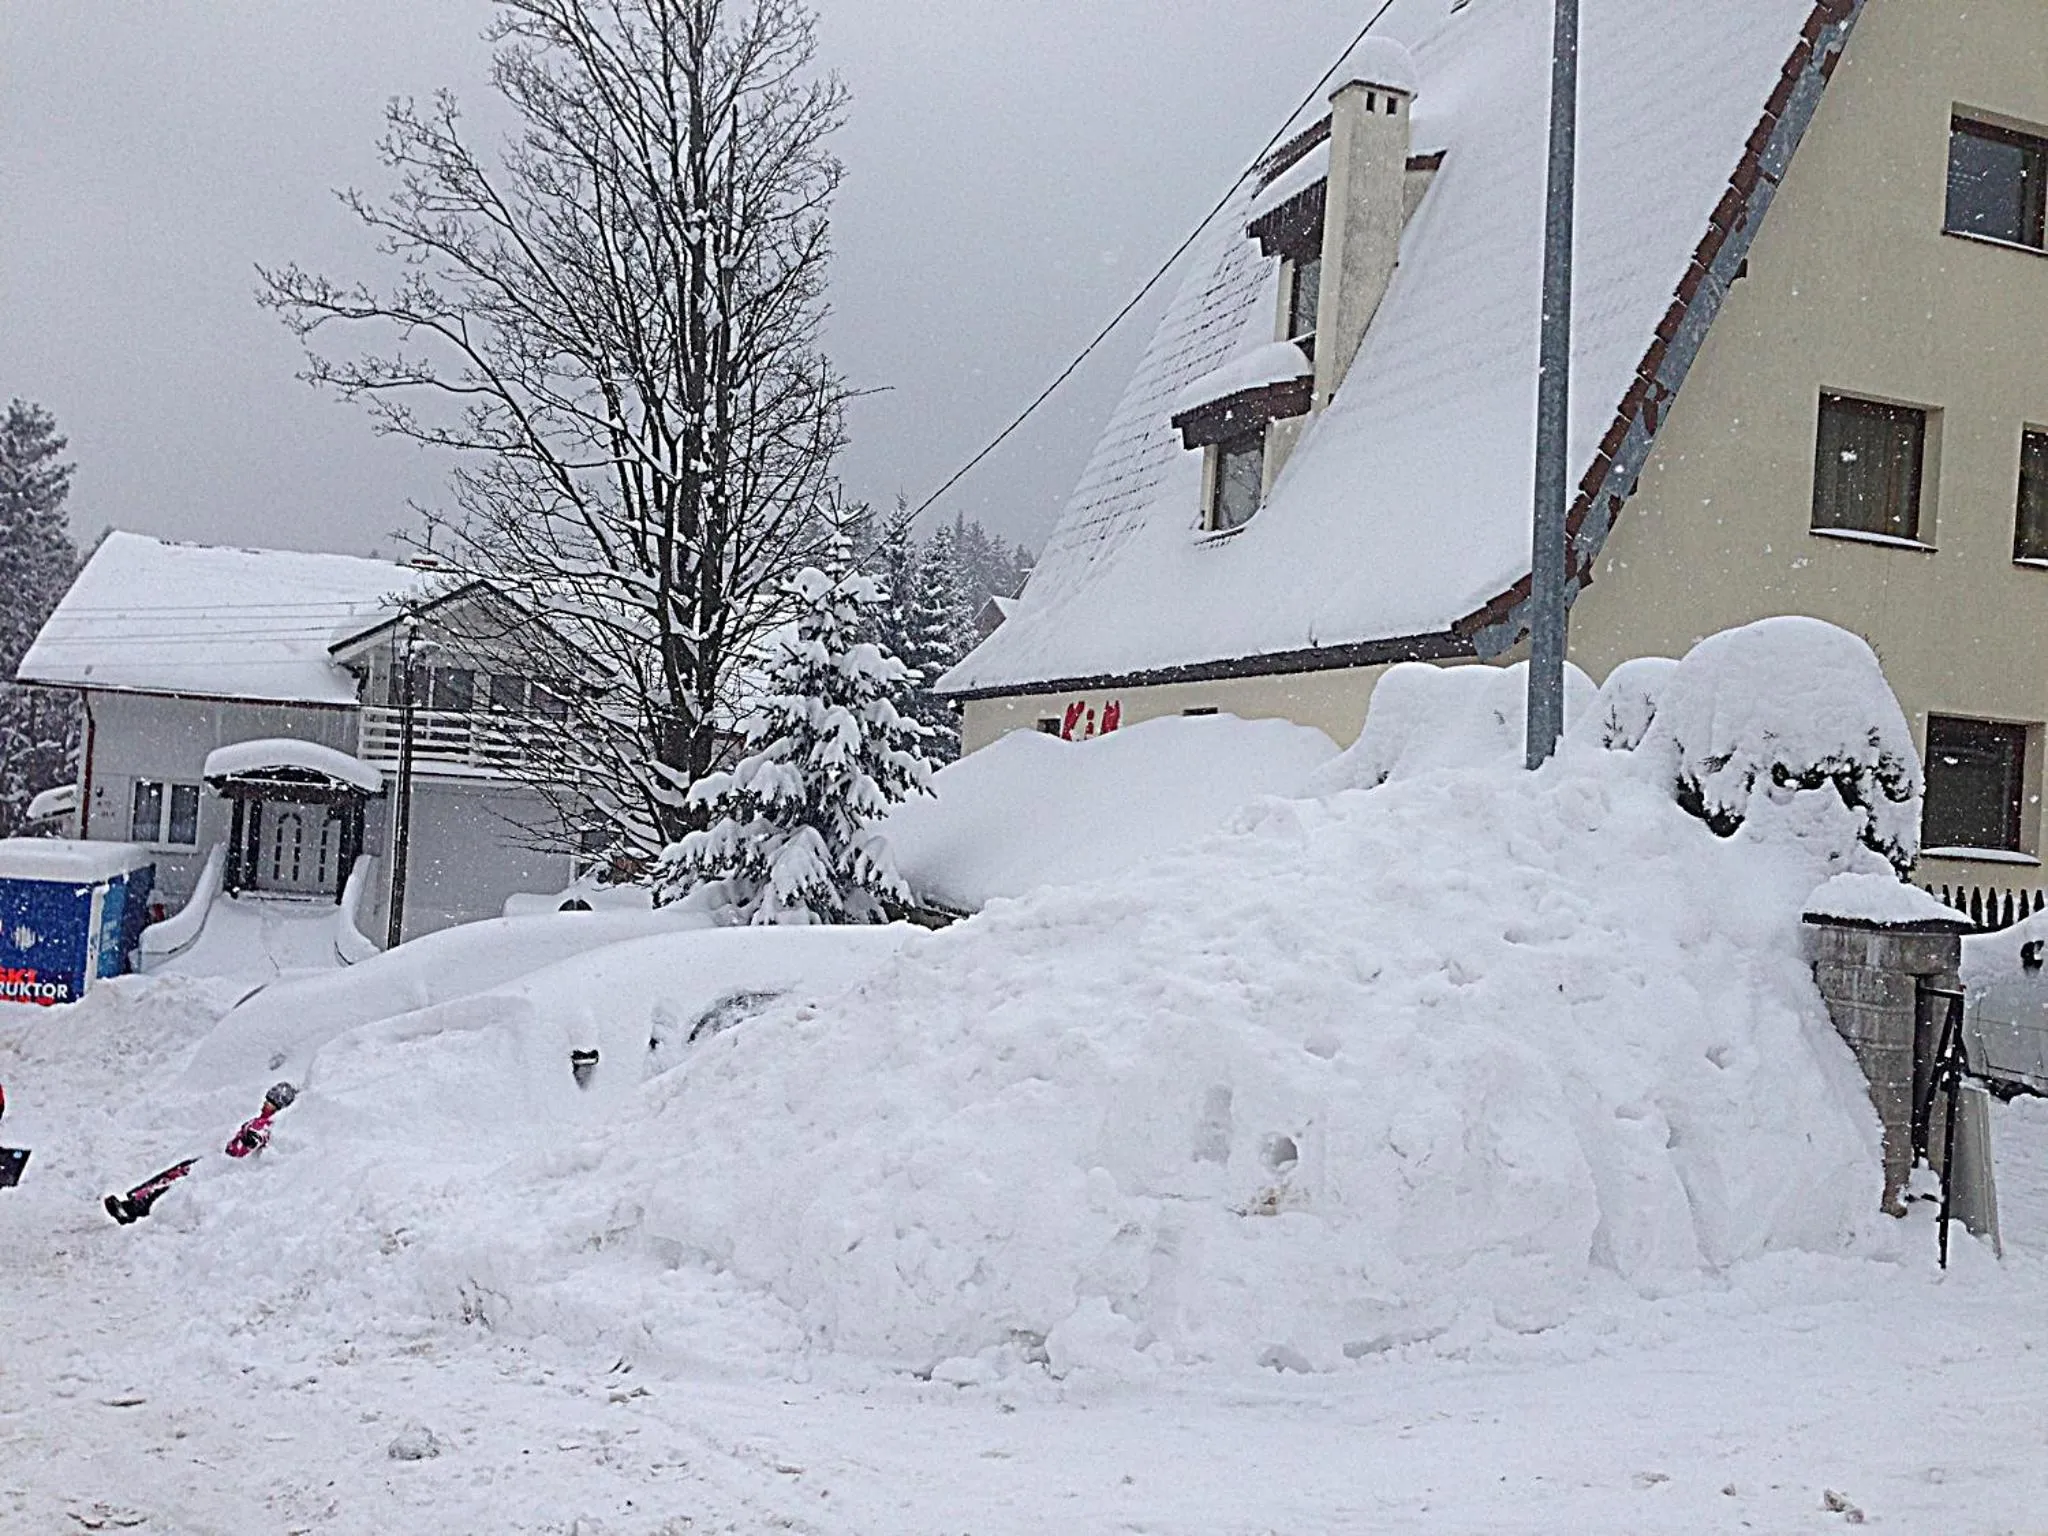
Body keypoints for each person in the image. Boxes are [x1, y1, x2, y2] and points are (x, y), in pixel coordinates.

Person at [104, 1082, 297, 1224]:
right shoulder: (260, 1120)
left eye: (270, 1103)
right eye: (266, 1100)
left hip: (224, 1167)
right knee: (173, 1173)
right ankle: (133, 1200)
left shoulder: (266, 1124)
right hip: (217, 1161)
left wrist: (250, 1140)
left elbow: (257, 1138)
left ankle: (134, 1208)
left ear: (278, 1107)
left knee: (174, 1182)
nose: (264, 1104)